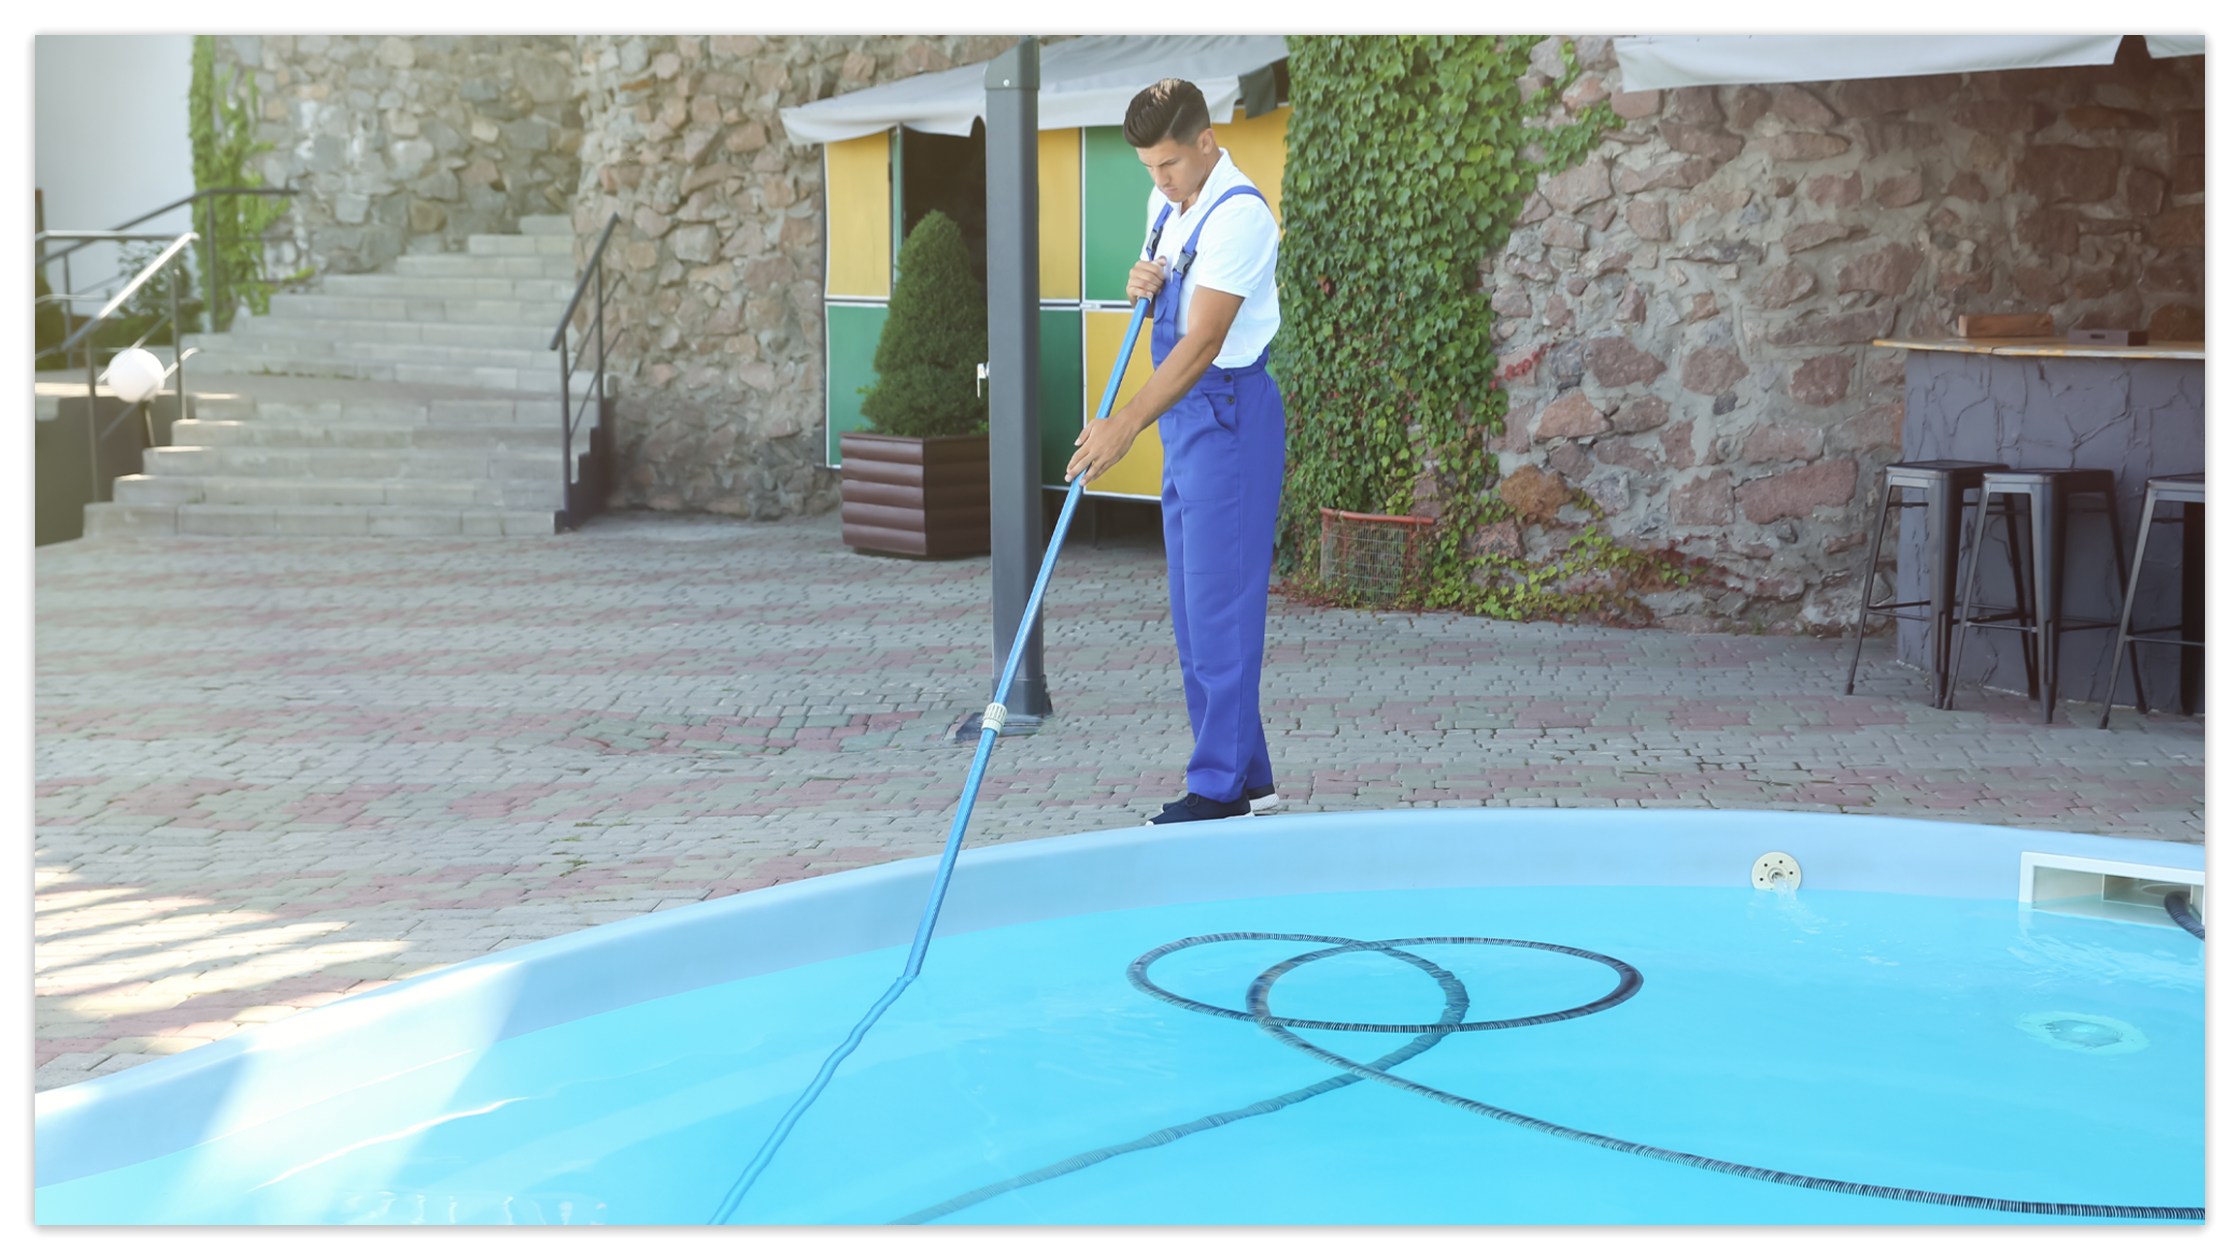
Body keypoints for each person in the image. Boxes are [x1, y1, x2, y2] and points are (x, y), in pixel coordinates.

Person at [1065, 78, 1286, 826]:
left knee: (1222, 606)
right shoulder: (1167, 203)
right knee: (1195, 612)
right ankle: (1250, 776)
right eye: (1148, 169)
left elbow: (1201, 344)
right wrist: (1142, 281)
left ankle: (1218, 789)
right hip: (1186, 424)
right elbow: (1164, 295)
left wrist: (1123, 425)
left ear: (1206, 141)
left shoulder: (1242, 216)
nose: (1159, 182)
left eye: (1169, 164)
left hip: (1227, 414)